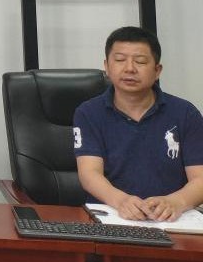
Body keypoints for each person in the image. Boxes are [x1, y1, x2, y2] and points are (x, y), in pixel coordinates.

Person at [74, 26, 203, 221]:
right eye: (120, 60)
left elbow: (200, 178)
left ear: (157, 70)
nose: (129, 68)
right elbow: (89, 174)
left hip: (170, 219)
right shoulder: (89, 113)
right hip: (110, 216)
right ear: (107, 66)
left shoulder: (185, 113)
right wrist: (122, 201)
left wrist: (176, 202)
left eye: (140, 61)